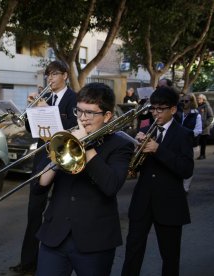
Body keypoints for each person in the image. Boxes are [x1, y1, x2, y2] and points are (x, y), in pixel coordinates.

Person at [32, 82, 134, 276]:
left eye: (90, 113)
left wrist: (85, 146)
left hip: (95, 240)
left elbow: (111, 185)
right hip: (55, 234)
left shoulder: (120, 145)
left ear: (107, 116)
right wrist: (58, 154)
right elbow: (39, 185)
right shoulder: (66, 137)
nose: (83, 118)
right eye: (79, 111)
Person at [10, 60, 77, 275]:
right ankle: (28, 261)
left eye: (55, 74)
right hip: (42, 158)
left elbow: (72, 130)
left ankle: (58, 260)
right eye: (48, 74)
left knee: (61, 211)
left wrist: (46, 109)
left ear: (65, 75)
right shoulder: (45, 97)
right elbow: (34, 130)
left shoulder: (74, 99)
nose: (50, 78)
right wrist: (31, 109)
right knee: (33, 212)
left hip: (63, 160)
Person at [122, 86, 194, 276]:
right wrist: (135, 149)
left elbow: (186, 170)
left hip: (170, 203)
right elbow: (134, 167)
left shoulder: (184, 134)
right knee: (132, 251)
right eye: (153, 108)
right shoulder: (146, 129)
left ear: (173, 109)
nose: (156, 113)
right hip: (143, 201)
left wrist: (157, 150)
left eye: (160, 109)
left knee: (170, 256)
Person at [174, 93, 202, 192]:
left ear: (191, 102)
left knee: (187, 166)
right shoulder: (177, 113)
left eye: (186, 101)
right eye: (182, 101)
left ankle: (185, 188)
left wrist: (185, 133)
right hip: (177, 143)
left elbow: (198, 130)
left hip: (191, 144)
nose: (184, 103)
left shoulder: (196, 115)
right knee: (176, 165)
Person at [196, 94, 213, 160]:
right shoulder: (196, 106)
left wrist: (204, 125)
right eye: (197, 98)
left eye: (199, 98)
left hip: (204, 128)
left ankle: (202, 155)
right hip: (197, 128)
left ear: (203, 99)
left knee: (203, 142)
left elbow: (210, 117)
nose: (198, 100)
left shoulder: (206, 106)